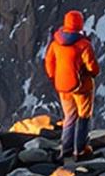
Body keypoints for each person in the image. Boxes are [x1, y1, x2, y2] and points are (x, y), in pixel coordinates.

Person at [42, 9, 98, 159]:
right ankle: (80, 149)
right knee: (83, 116)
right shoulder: (83, 45)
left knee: (69, 117)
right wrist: (91, 74)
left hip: (63, 86)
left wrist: (54, 77)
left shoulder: (56, 43)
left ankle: (65, 149)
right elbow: (92, 67)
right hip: (82, 87)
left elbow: (49, 62)